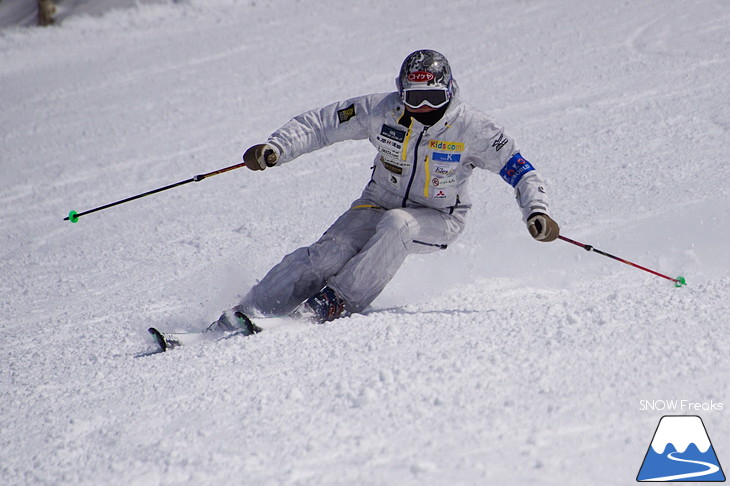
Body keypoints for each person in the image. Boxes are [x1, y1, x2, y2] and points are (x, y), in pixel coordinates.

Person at [210, 49, 559, 332]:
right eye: (414, 98)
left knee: (398, 225)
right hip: (376, 203)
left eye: (433, 98)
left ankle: (338, 300)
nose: (424, 109)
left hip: (438, 217)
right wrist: (276, 148)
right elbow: (322, 123)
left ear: (450, 91)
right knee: (328, 253)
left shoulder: (474, 128)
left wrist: (536, 211)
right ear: (400, 92)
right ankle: (253, 307)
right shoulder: (382, 110)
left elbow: (519, 169)